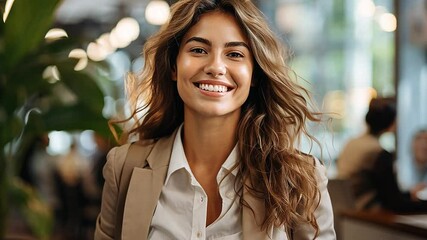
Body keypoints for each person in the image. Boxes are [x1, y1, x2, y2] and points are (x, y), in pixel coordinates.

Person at [95, 0, 336, 239]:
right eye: (198, 50)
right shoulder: (123, 167)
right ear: (173, 67)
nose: (216, 66)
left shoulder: (299, 177)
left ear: (254, 75)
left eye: (234, 54)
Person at [336, 97, 396, 210]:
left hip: (347, 211)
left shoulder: (352, 142)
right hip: (365, 213)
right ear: (391, 124)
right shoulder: (377, 151)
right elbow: (391, 198)